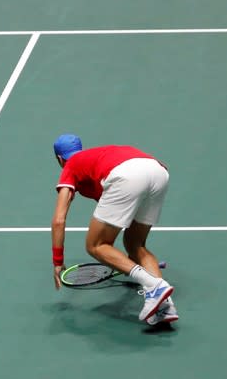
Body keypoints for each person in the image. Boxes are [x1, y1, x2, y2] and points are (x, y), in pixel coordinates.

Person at [49, 134, 178, 325]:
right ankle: (164, 307)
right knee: (135, 244)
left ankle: (153, 285)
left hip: (126, 176)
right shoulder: (97, 157)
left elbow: (59, 220)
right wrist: (123, 260)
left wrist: (57, 261)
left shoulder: (71, 164)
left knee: (96, 245)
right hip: (158, 171)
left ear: (60, 158)